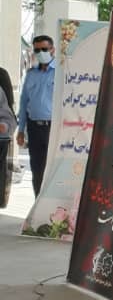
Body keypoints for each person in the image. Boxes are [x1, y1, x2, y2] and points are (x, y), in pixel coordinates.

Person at [16, 35, 57, 196]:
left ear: (52, 50)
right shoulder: (31, 74)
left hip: (53, 129)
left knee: (51, 170)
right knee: (37, 170)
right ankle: (37, 204)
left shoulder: (60, 73)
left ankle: (50, 206)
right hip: (34, 129)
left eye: (44, 49)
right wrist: (21, 130)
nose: (41, 53)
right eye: (37, 50)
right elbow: (24, 102)